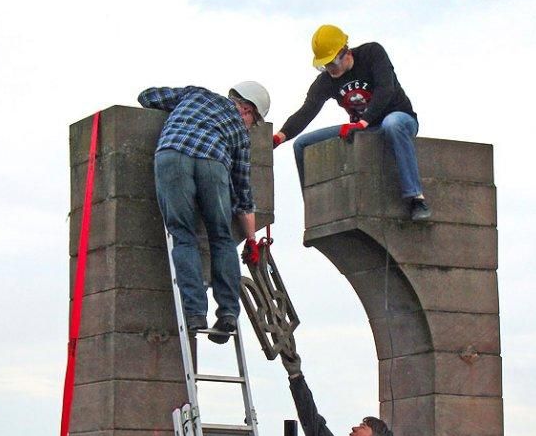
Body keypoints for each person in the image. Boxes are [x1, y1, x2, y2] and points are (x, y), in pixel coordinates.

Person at [138, 82, 270, 344]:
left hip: (172, 155)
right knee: (221, 238)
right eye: (253, 121)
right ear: (246, 109)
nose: (250, 128)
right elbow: (243, 193)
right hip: (213, 165)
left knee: (183, 236)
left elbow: (147, 96)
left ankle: (195, 313)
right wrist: (251, 240)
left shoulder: (195, 94)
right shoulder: (241, 136)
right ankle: (229, 313)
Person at [273, 24, 430, 221]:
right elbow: (307, 110)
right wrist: (280, 137)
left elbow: (385, 89)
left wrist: (363, 122)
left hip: (400, 120)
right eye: (325, 65)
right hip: (363, 129)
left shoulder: (372, 53)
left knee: (391, 123)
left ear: (345, 52)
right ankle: (315, 210)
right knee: (302, 144)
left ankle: (416, 198)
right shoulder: (326, 81)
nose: (330, 69)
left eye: (332, 63)